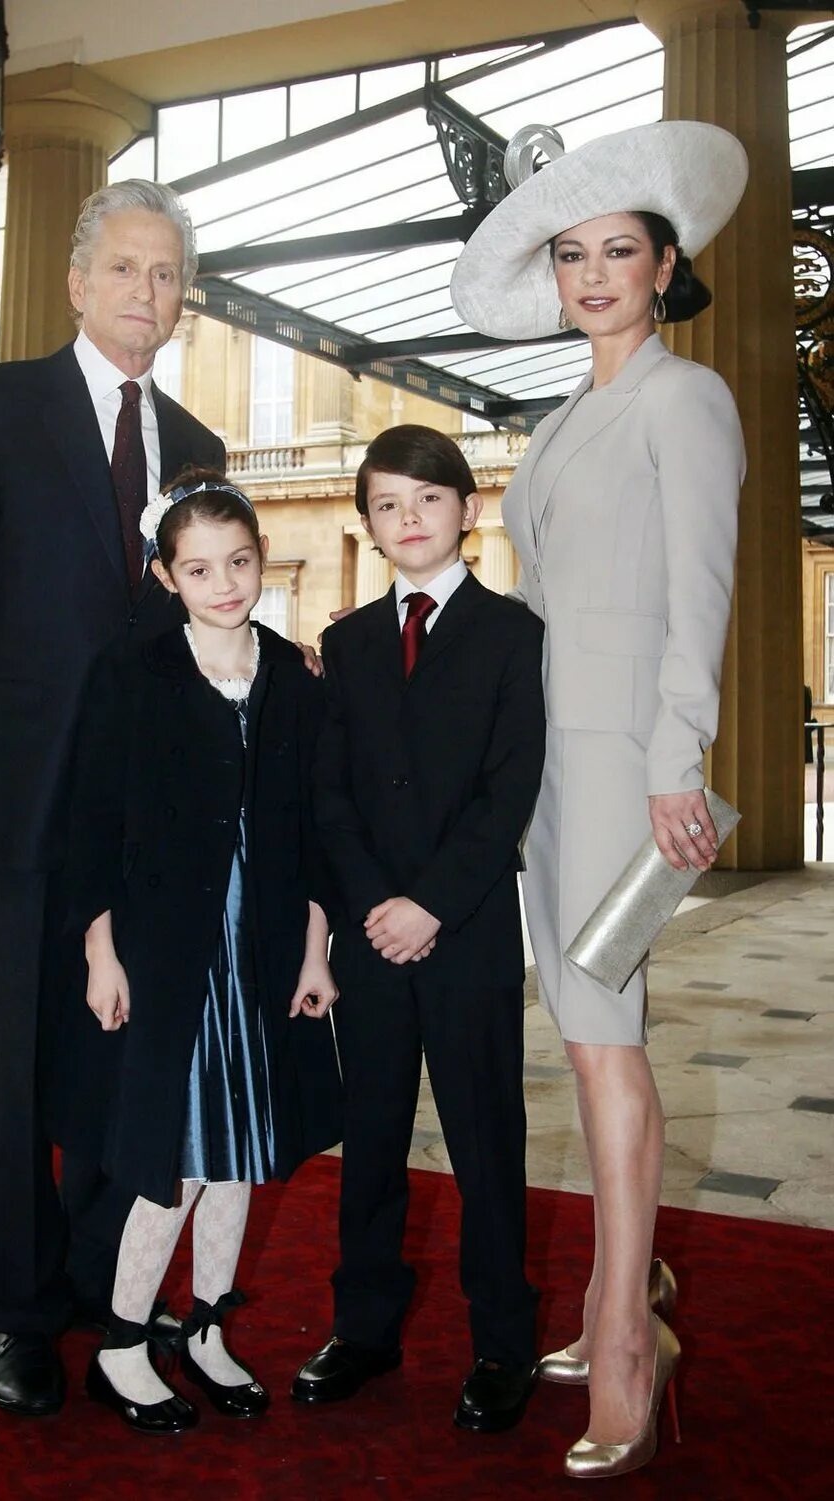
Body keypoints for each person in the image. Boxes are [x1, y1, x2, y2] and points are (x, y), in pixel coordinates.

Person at [0, 179, 225, 1416]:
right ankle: (22, 1310)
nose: (147, 290)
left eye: (167, 273)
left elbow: (198, 625)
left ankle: (99, 1279)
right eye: (126, 268)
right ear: (78, 282)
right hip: (16, 803)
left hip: (142, 821)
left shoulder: (196, 445)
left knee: (122, 1056)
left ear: (182, 299)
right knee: (24, 1061)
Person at [451, 120, 748, 1479]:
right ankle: (613, 1296)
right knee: (583, 1037)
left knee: (602, 1037)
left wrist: (678, 757)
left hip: (627, 760)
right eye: (569, 254)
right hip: (549, 764)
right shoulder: (563, 417)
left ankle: (627, 1337)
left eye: (616, 250)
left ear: (664, 265)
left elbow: (701, 592)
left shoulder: (686, 399)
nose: (590, 274)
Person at [56, 470, 342, 1433]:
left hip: (261, 947)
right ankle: (122, 1342)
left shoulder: (291, 675)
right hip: (168, 954)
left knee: (238, 1152)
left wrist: (315, 949)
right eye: (200, 568)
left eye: (240, 562)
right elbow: (92, 824)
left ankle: (210, 1325)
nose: (224, 584)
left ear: (262, 561)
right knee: (171, 1154)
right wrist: (101, 953)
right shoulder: (131, 672)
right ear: (165, 575)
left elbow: (310, 829)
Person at [292, 425, 546, 1432]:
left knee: (485, 1139)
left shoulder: (512, 633)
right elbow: (330, 794)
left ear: (468, 509)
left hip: (466, 928)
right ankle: (363, 1327)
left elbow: (509, 786)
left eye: (428, 498)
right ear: (367, 522)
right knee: (371, 1138)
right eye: (388, 504)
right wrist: (374, 906)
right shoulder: (349, 642)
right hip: (371, 935)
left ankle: (503, 1341)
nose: (409, 518)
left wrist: (431, 903)